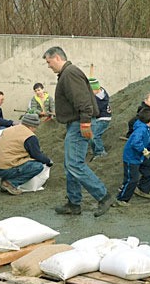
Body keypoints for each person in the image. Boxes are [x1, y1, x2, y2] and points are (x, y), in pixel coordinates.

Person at [42, 46, 113, 217]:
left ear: (57, 57)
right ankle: (74, 203)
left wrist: (86, 122)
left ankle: (103, 196)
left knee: (74, 164)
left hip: (78, 124)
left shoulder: (70, 74)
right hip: (75, 123)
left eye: (49, 62)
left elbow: (83, 100)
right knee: (70, 164)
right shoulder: (68, 73)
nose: (48, 66)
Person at [0, 113, 53, 196]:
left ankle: (5, 184)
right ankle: (10, 183)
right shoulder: (29, 136)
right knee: (37, 166)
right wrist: (48, 161)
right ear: (31, 126)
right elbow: (37, 155)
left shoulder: (8, 130)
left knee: (13, 160)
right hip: (3, 168)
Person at [113, 108, 150, 207]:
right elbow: (136, 142)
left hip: (138, 158)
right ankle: (121, 199)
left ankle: (140, 190)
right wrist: (143, 150)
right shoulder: (141, 130)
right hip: (131, 158)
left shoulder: (147, 129)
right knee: (132, 179)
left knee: (149, 169)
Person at [126, 92, 150, 179]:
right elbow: (132, 122)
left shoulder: (148, 110)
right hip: (143, 139)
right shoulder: (144, 111)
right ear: (145, 100)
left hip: (146, 137)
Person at [88, 77, 111, 158]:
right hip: (98, 118)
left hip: (103, 118)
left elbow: (96, 111)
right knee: (90, 135)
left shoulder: (101, 99)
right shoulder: (101, 92)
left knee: (95, 135)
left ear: (96, 89)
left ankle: (101, 152)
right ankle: (95, 152)